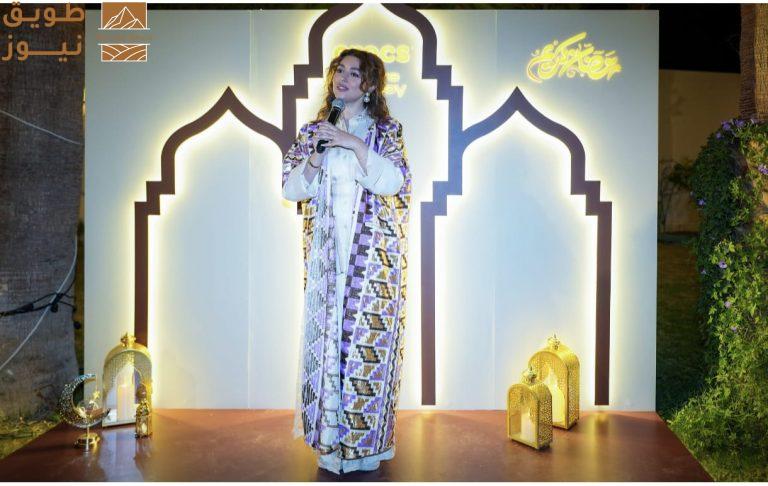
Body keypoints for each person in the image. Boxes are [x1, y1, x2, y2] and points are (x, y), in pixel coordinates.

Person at [281, 48, 411, 474]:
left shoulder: (385, 131)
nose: (344, 78)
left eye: (355, 73)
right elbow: (291, 189)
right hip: (326, 263)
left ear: (369, 85)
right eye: (340, 70)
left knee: (365, 353)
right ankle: (330, 448)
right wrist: (318, 153)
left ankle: (366, 449)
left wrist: (353, 144)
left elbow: (394, 182)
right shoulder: (313, 131)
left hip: (372, 265)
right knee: (326, 350)